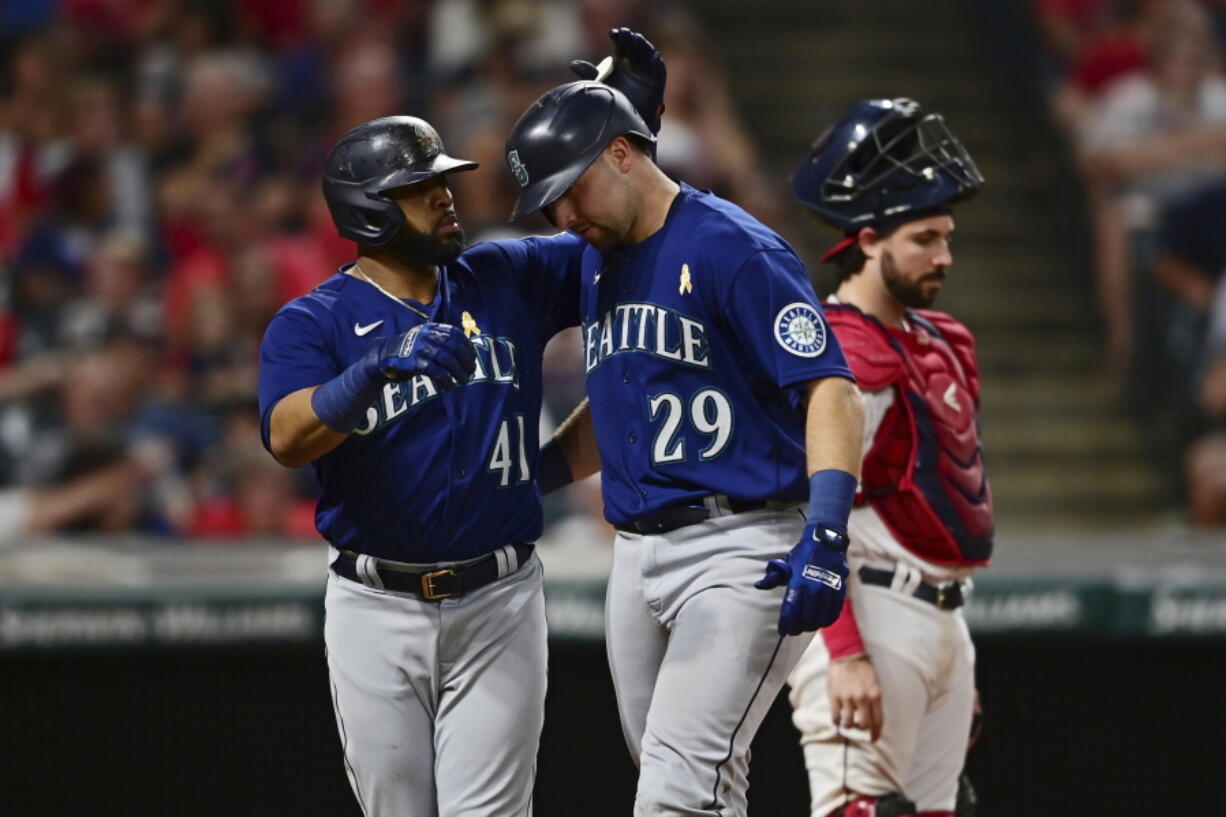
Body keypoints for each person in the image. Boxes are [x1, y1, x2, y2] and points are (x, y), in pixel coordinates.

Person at [505, 79, 866, 816]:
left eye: (571, 191)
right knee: (688, 782)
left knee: (677, 789)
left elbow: (831, 389)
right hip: (636, 553)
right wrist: (525, 480)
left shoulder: (733, 246)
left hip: (744, 543)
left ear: (622, 152)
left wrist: (828, 530)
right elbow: (619, 409)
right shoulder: (595, 257)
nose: (563, 215)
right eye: (550, 204)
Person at [784, 97, 994, 817]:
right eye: (924, 238)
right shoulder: (841, 349)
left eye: (946, 237)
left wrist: (946, 652)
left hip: (939, 615)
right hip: (866, 610)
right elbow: (805, 507)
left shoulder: (944, 340)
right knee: (857, 809)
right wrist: (842, 651)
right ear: (868, 238)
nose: (944, 255)